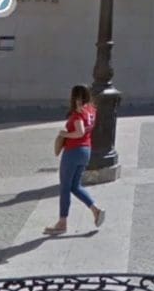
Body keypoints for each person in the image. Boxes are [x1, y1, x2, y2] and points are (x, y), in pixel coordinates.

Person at [44, 84, 106, 235]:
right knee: (75, 186)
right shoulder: (91, 109)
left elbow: (79, 132)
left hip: (73, 151)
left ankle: (62, 222)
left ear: (75, 97)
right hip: (86, 151)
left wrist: (64, 134)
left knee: (65, 187)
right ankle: (96, 210)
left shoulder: (78, 113)